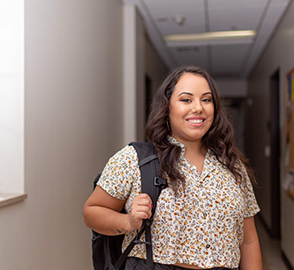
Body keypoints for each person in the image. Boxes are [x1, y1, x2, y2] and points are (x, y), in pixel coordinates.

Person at [83, 66, 262, 270]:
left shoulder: (231, 165)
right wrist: (128, 222)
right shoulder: (135, 159)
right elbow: (92, 212)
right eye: (186, 99)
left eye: (206, 99)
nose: (198, 108)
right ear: (167, 107)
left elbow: (248, 241)